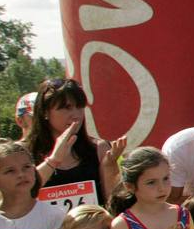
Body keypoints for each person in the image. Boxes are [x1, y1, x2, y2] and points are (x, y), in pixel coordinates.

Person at [26, 77, 126, 208]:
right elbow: (18, 194)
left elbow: (113, 206)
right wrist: (53, 161)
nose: (75, 115)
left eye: (79, 107)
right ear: (45, 112)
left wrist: (109, 165)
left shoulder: (98, 148)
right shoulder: (24, 152)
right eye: (66, 108)